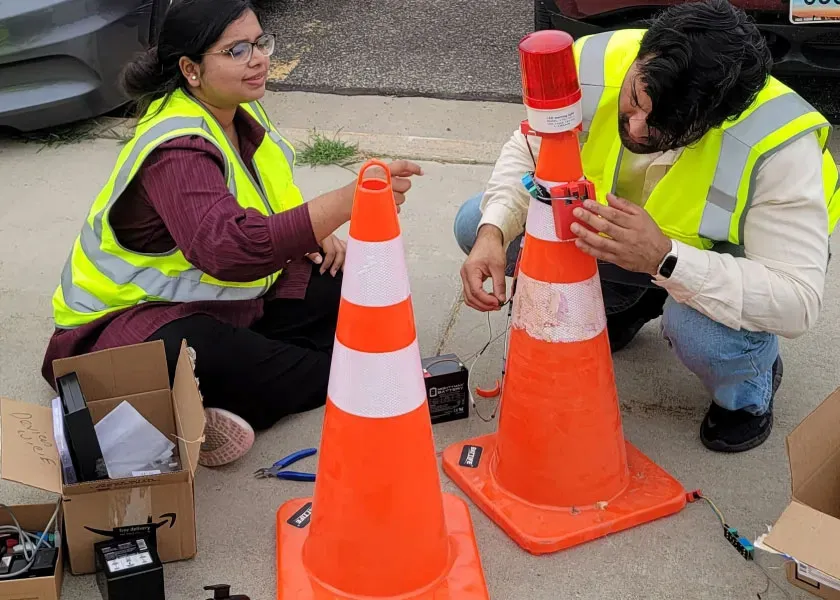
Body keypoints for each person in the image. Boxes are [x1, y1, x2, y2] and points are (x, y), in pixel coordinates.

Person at [42, 0, 423, 467]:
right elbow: (232, 249)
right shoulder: (177, 147)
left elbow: (265, 192)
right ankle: (240, 396)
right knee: (313, 365)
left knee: (344, 284)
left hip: (224, 300)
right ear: (191, 69)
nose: (259, 58)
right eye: (237, 50)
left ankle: (213, 403)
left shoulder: (236, 109)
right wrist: (347, 202)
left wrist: (314, 232)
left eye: (260, 42)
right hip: (123, 332)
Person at [455, 0, 839, 453]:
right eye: (635, 100)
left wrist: (665, 259)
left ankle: (749, 390)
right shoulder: (591, 62)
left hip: (709, 260)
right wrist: (492, 233)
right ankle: (626, 302)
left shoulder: (780, 144)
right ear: (643, 53)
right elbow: (530, 151)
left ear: (718, 117)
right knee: (474, 220)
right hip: (625, 244)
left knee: (703, 335)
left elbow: (797, 302)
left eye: (665, 127)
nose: (636, 130)